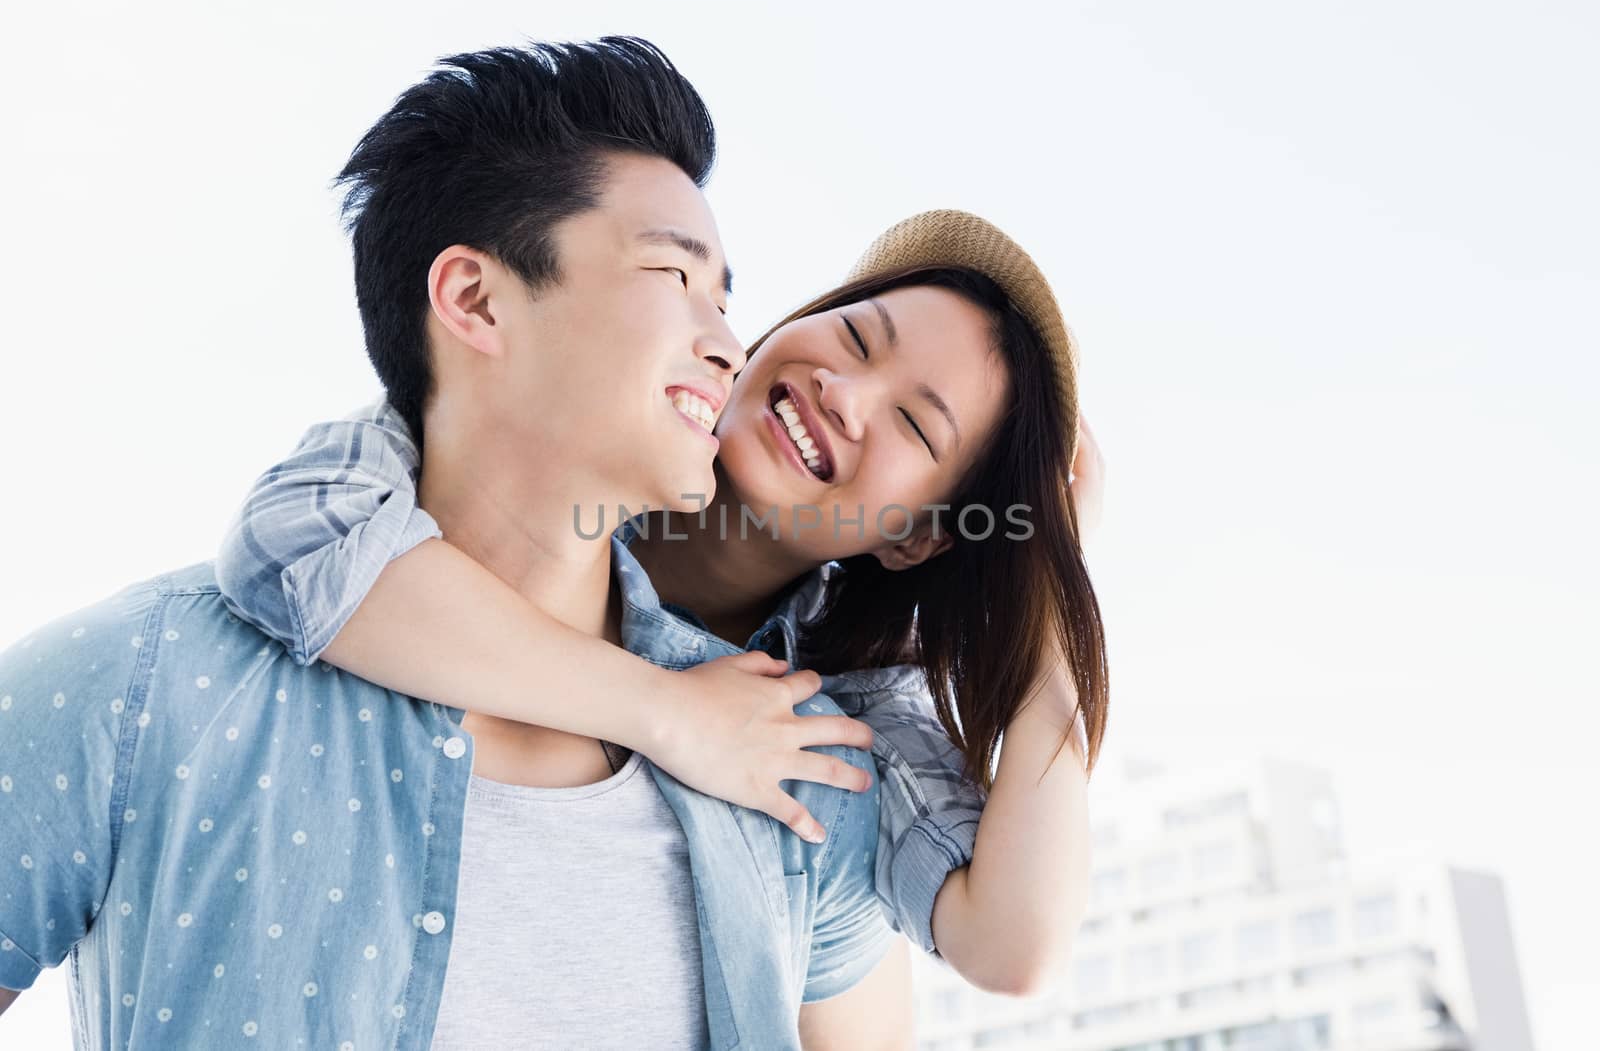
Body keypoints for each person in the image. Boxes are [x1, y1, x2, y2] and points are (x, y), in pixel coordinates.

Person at [0, 38, 901, 1050]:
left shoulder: (786, 756)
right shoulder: (142, 685)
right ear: (473, 299)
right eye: (672, 274)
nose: (726, 342)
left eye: (724, 299)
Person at [214, 200, 1111, 1016]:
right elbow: (293, 540)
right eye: (857, 340)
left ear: (916, 539)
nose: (845, 392)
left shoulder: (849, 703)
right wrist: (668, 712)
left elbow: (1012, 944)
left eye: (916, 427)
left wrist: (1053, 609)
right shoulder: (561, 427)